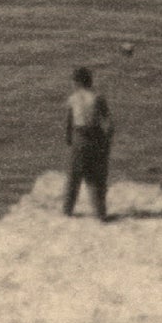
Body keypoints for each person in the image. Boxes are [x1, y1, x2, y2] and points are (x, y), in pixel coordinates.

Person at [62, 66, 114, 220]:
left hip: (79, 137)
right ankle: (100, 213)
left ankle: (67, 211)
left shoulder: (72, 99)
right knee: (96, 177)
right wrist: (107, 142)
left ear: (77, 82)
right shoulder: (98, 98)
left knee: (74, 176)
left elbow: (68, 125)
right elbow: (109, 123)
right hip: (96, 136)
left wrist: (70, 141)